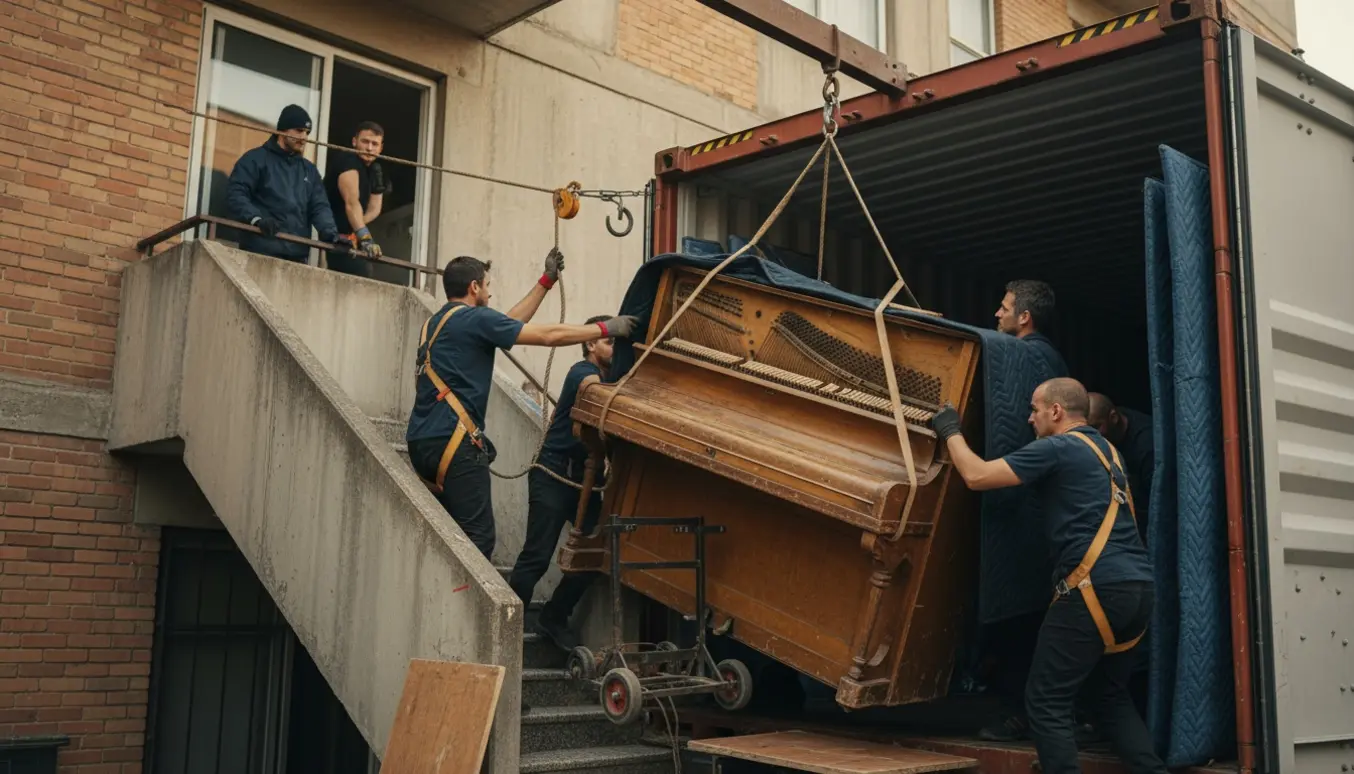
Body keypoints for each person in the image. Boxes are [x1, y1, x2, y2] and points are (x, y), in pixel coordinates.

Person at [932, 379, 1165, 774]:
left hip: (1093, 588)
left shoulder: (1058, 448)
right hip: (1136, 590)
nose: (1029, 417)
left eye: (1035, 409)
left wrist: (951, 430)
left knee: (1044, 699)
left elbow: (977, 476)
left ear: (1056, 412)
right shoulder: (1108, 451)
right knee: (1108, 695)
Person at [405, 254, 638, 561]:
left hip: (422, 442)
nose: (490, 292)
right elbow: (547, 335)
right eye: (487, 286)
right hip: (455, 443)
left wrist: (545, 282)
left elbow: (509, 324)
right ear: (474, 287)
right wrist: (605, 329)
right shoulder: (475, 319)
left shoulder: (436, 324)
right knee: (479, 540)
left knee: (454, 541)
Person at [980, 277, 1069, 741]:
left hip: (1022, 510)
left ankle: (1024, 713)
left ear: (1024, 317)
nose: (997, 314)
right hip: (1033, 512)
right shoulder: (1048, 359)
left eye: (1004, 306)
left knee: (1019, 616)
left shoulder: (1029, 356)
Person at [508, 314, 613, 651]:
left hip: (585, 482)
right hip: (553, 474)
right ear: (591, 344)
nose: (616, 347)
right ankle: (506, 630)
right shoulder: (583, 374)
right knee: (537, 557)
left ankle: (554, 617)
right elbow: (596, 394)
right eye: (611, 340)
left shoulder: (611, 378)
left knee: (598, 554)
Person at [227, 104, 342, 263]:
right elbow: (236, 194)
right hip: (259, 252)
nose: (304, 138)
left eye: (307, 132)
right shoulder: (255, 159)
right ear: (282, 130)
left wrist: (331, 234)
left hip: (297, 257)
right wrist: (256, 219)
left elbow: (320, 206)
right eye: (299, 130)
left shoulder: (309, 170)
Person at [324, 120, 393, 278]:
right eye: (365, 141)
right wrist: (365, 238)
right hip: (333, 235)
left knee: (364, 272)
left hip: (350, 235)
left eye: (375, 144)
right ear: (354, 142)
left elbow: (375, 208)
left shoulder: (375, 169)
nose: (369, 148)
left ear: (381, 148)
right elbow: (351, 203)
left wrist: (357, 229)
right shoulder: (348, 160)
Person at [1088, 393, 1154, 543]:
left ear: (1114, 418)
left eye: (1096, 427)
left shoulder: (1146, 445)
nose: (1091, 436)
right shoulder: (1099, 437)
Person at [995, 279, 1068, 376]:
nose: (997, 314)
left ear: (1024, 317)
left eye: (1004, 309)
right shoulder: (1046, 353)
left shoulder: (1027, 354)